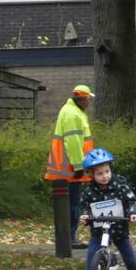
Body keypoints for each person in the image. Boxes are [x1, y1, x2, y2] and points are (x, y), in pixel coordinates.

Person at [72, 148, 136, 270]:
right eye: (100, 173)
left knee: (130, 260)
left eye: (107, 171)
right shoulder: (89, 191)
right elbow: (85, 206)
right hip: (99, 231)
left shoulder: (120, 186)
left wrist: (133, 213)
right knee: (92, 254)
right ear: (91, 175)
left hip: (119, 231)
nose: (104, 176)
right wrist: (85, 216)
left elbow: (131, 200)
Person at [45, 85, 97, 250]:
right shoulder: (72, 114)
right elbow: (73, 142)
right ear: (82, 99)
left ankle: (68, 236)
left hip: (66, 166)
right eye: (88, 99)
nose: (89, 102)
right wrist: (78, 166)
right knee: (73, 203)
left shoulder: (72, 111)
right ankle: (70, 237)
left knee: (70, 203)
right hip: (70, 168)